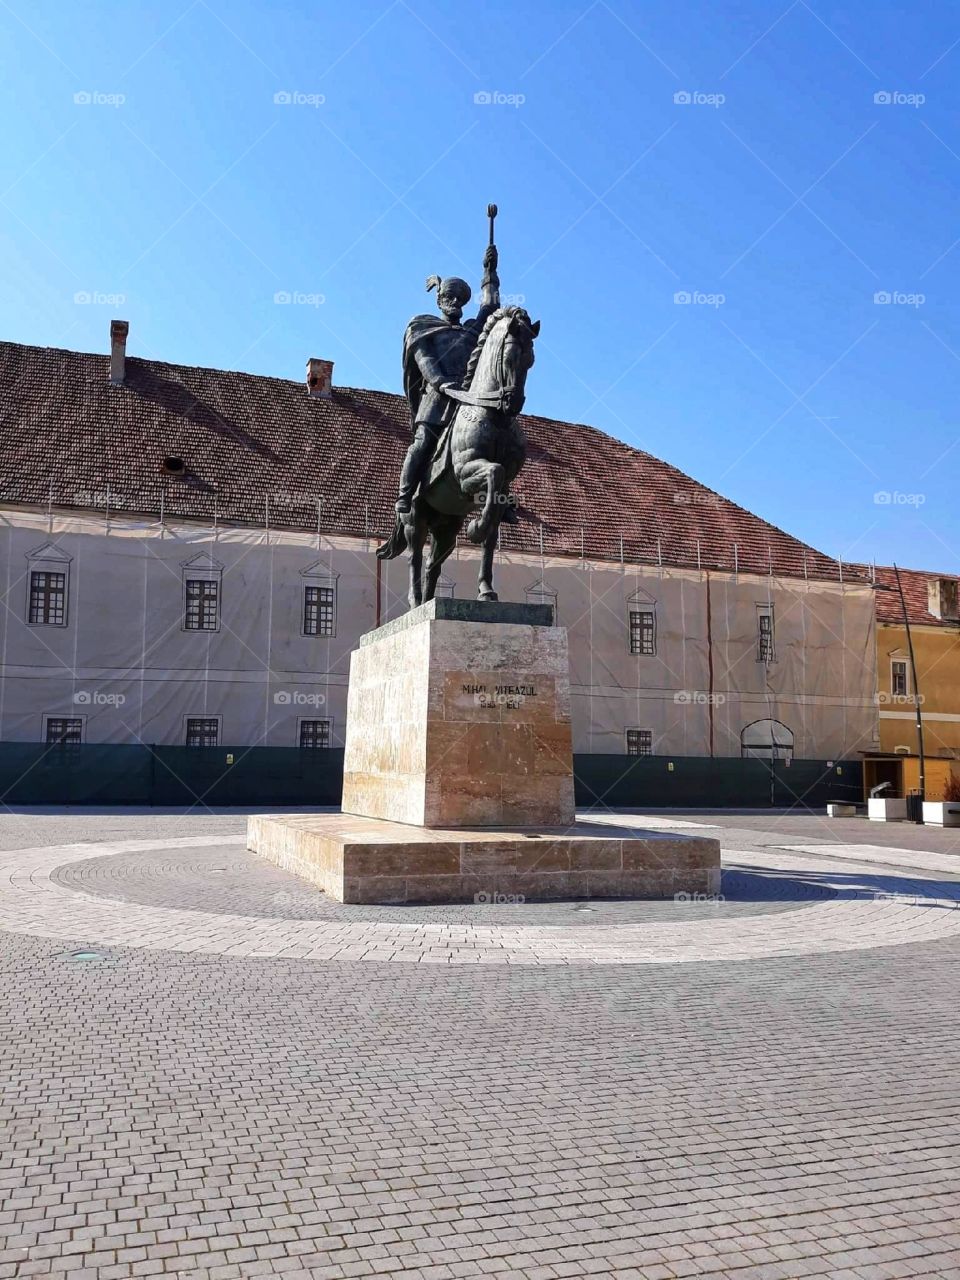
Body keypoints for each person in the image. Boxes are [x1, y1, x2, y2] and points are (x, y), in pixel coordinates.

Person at [395, 243, 500, 516]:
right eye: (449, 297)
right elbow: (425, 361)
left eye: (460, 299)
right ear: (439, 300)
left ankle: (499, 495)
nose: (454, 302)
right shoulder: (422, 327)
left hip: (467, 400)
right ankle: (405, 495)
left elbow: (490, 307)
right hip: (437, 398)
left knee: (495, 437)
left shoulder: (470, 332)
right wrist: (442, 383)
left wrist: (489, 272)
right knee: (422, 443)